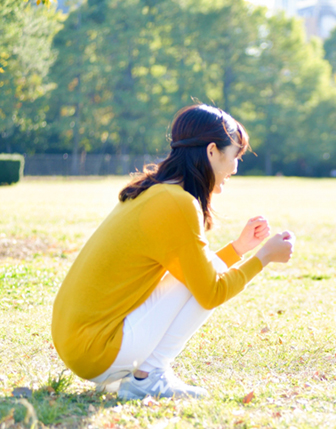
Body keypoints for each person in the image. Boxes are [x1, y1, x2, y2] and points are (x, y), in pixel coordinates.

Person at [51, 104, 295, 400]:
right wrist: (264, 257)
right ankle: (148, 377)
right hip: (98, 351)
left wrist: (239, 249)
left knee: (198, 278)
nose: (235, 168)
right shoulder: (178, 203)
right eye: (235, 156)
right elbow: (209, 292)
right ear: (212, 152)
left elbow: (191, 271)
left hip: (79, 344)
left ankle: (146, 375)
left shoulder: (153, 189)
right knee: (203, 284)